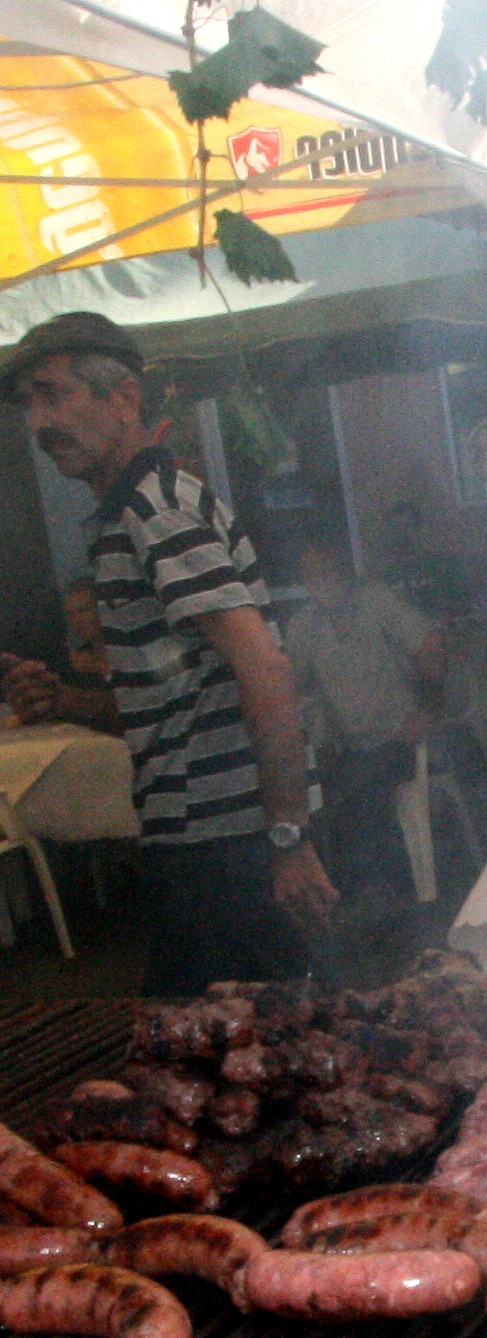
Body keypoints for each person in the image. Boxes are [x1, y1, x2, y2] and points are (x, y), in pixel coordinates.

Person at [0, 311, 336, 994]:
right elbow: (174, 702)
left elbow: (265, 669)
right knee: (233, 1052)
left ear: (124, 399)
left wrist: (286, 840)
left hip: (232, 848)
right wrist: (65, 700)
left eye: (53, 393)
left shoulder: (158, 511)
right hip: (202, 846)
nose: (37, 423)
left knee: (247, 1055)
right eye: (28, 403)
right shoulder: (132, 514)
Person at [284, 539, 446, 895]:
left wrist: (428, 711)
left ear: (344, 573)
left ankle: (393, 898)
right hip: (347, 748)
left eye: (328, 573)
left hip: (399, 739)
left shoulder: (377, 603)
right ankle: (347, 896)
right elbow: (292, 688)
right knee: (314, 794)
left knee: (362, 791)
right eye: (312, 578)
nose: (322, 583)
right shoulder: (304, 626)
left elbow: (431, 644)